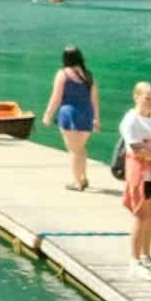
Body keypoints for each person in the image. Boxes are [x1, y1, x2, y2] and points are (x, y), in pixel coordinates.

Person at [119, 82, 151, 281]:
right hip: (140, 171)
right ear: (136, 97)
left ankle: (146, 255)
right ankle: (134, 261)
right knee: (140, 214)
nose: (150, 101)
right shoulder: (131, 119)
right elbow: (137, 148)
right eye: (146, 97)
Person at [41, 45, 100, 191]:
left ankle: (77, 182)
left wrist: (48, 115)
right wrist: (96, 119)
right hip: (87, 114)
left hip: (70, 115)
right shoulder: (89, 75)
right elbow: (94, 99)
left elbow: (56, 98)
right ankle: (83, 177)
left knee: (74, 150)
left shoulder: (63, 74)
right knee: (80, 148)